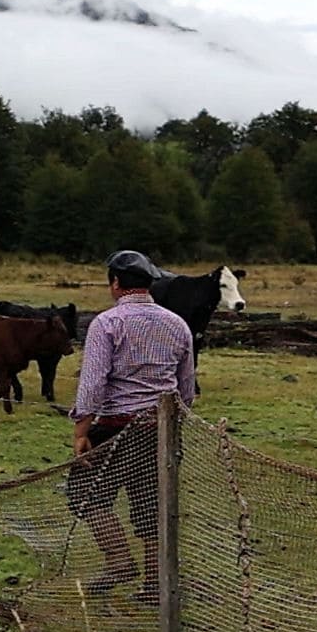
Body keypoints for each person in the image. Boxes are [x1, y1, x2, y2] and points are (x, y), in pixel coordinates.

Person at [67, 249, 196, 602]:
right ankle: (155, 585)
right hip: (163, 429)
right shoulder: (177, 323)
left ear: (115, 283)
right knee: (151, 503)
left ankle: (119, 560)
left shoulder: (107, 323)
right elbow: (187, 388)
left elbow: (93, 383)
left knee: (84, 494)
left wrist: (81, 431)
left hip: (115, 426)